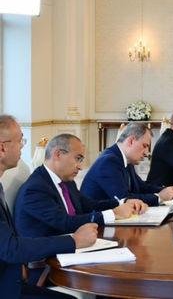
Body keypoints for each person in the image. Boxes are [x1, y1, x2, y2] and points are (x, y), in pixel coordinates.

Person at [0, 115, 97, 298]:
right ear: (2, 148)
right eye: (20, 141)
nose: (22, 146)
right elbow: (11, 248)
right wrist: (74, 240)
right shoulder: (35, 186)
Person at [15, 133, 147, 239]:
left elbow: (89, 205)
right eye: (77, 158)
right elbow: (65, 223)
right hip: (48, 259)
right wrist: (113, 214)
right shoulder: (36, 188)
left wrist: (123, 202)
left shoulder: (67, 181)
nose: (80, 167)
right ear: (58, 154)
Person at [82, 123, 173, 206]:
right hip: (98, 221)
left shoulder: (126, 158)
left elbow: (141, 187)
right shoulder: (108, 162)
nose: (146, 153)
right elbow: (124, 199)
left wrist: (166, 190)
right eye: (144, 146)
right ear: (131, 141)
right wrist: (159, 197)